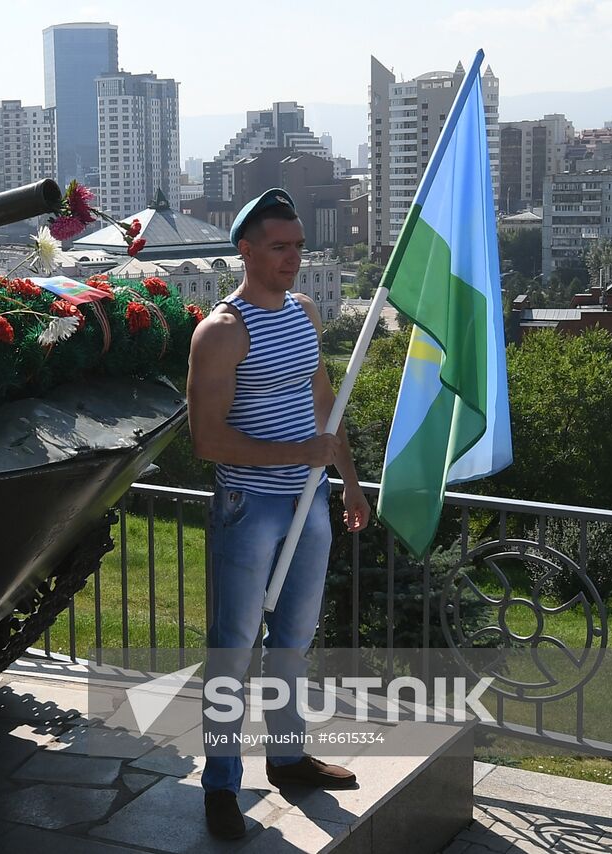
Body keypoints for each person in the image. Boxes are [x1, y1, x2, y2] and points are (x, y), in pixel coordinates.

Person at [186, 187, 370, 840]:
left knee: (293, 642)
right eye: (279, 247)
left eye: (298, 246)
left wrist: (348, 481)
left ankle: (288, 759)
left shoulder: (304, 312)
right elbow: (207, 441)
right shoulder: (221, 334)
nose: (293, 258)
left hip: (310, 501)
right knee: (233, 650)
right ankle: (219, 787)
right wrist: (302, 452)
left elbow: (325, 402)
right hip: (250, 507)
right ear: (246, 250)